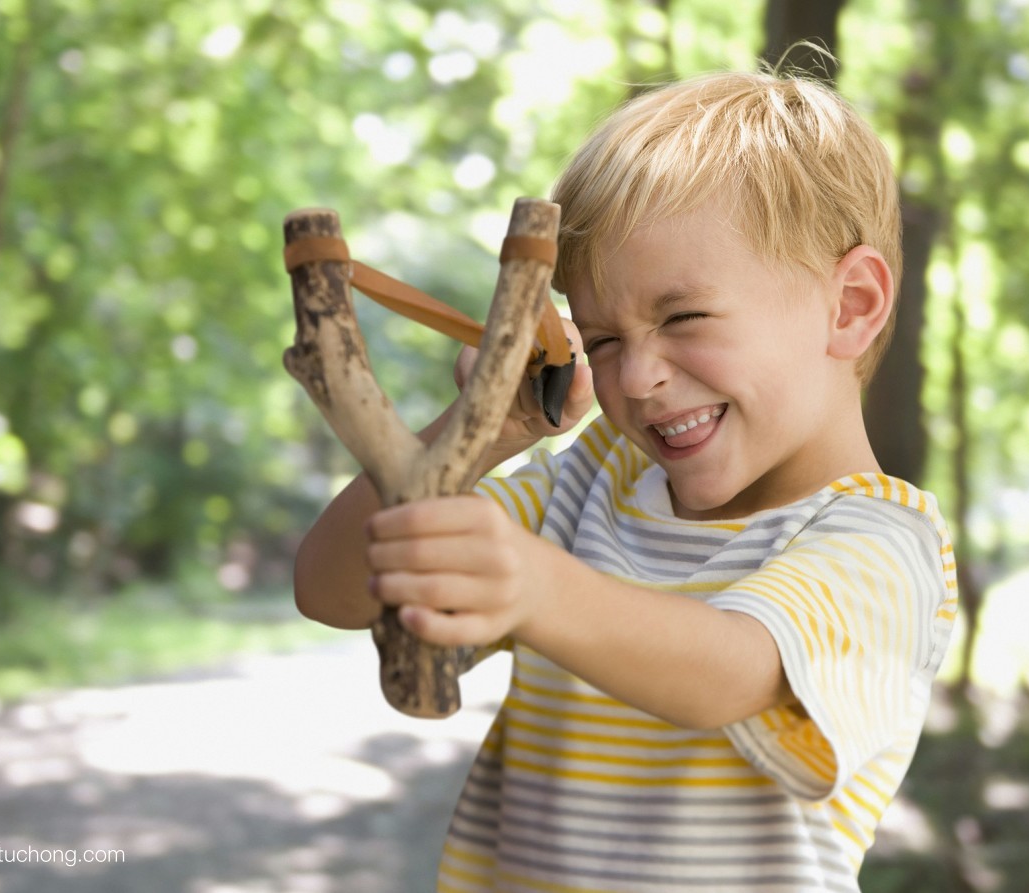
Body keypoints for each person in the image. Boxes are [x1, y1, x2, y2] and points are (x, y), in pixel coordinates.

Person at [293, 68, 959, 892]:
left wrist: (535, 584)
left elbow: (731, 671)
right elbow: (331, 589)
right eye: (602, 340)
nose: (637, 378)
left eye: (683, 317)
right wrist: (487, 432)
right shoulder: (590, 481)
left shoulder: (884, 543)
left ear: (850, 305)